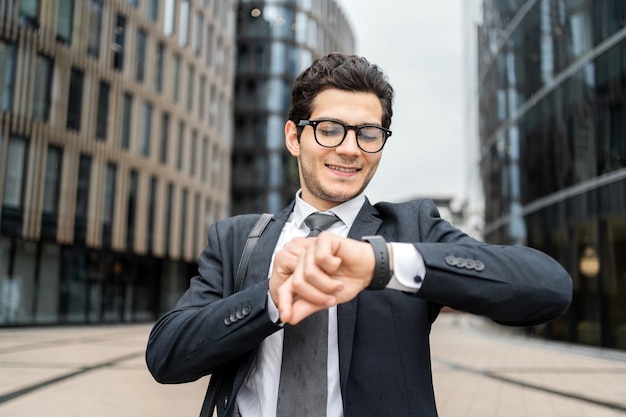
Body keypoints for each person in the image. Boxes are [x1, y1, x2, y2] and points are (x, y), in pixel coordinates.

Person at [146, 53, 572, 417]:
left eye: (368, 134)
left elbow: (548, 288)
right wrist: (269, 300)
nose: (350, 148)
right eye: (330, 129)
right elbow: (166, 356)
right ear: (295, 137)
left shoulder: (410, 229)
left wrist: (381, 264)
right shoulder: (237, 239)